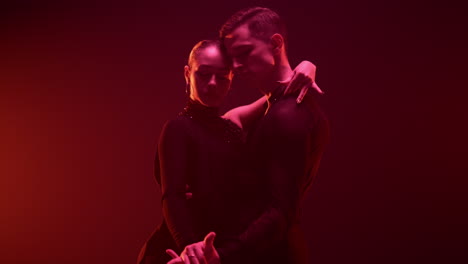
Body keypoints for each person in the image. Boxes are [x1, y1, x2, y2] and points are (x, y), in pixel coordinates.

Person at [137, 39, 320, 264]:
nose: (213, 83)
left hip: (220, 249)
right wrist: (190, 247)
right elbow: (173, 197)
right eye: (204, 74)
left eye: (222, 76)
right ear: (187, 73)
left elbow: (281, 91)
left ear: (232, 77)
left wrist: (307, 66)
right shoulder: (177, 128)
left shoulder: (235, 120)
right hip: (185, 250)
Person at [171, 7, 330, 264]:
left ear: (276, 43)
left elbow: (280, 211)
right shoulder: (272, 107)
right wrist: (304, 66)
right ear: (187, 74)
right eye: (232, 59)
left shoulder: (287, 115)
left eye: (244, 53)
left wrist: (223, 255)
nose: (236, 66)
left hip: (269, 253)